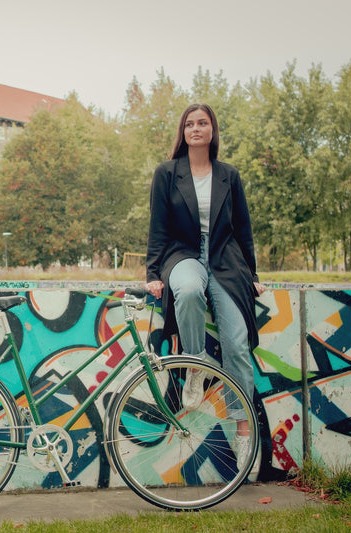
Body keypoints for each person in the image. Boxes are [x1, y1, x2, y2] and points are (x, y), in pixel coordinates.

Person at [144, 103, 264, 461]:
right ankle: (195, 366)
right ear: (183, 132)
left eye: (203, 123)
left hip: (226, 261)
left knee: (237, 344)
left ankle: (243, 429)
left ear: (212, 130)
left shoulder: (229, 175)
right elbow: (158, 227)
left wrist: (253, 275)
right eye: (190, 124)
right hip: (183, 256)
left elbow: (243, 228)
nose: (196, 128)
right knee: (189, 289)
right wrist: (152, 273)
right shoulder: (167, 172)